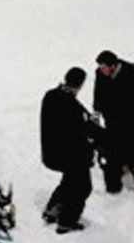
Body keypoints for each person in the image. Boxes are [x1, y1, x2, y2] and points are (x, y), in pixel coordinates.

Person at [40, 67, 99, 234]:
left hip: (52, 153)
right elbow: (76, 131)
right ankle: (67, 221)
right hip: (68, 155)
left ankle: (52, 211)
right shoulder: (68, 103)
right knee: (82, 186)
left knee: (69, 181)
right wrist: (92, 130)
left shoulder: (51, 95)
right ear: (80, 84)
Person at [92, 50, 134, 195]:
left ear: (113, 66)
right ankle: (113, 188)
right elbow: (98, 93)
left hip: (131, 123)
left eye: (104, 67)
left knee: (132, 153)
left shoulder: (132, 77)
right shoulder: (100, 74)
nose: (101, 70)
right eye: (100, 67)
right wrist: (96, 111)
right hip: (112, 121)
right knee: (111, 152)